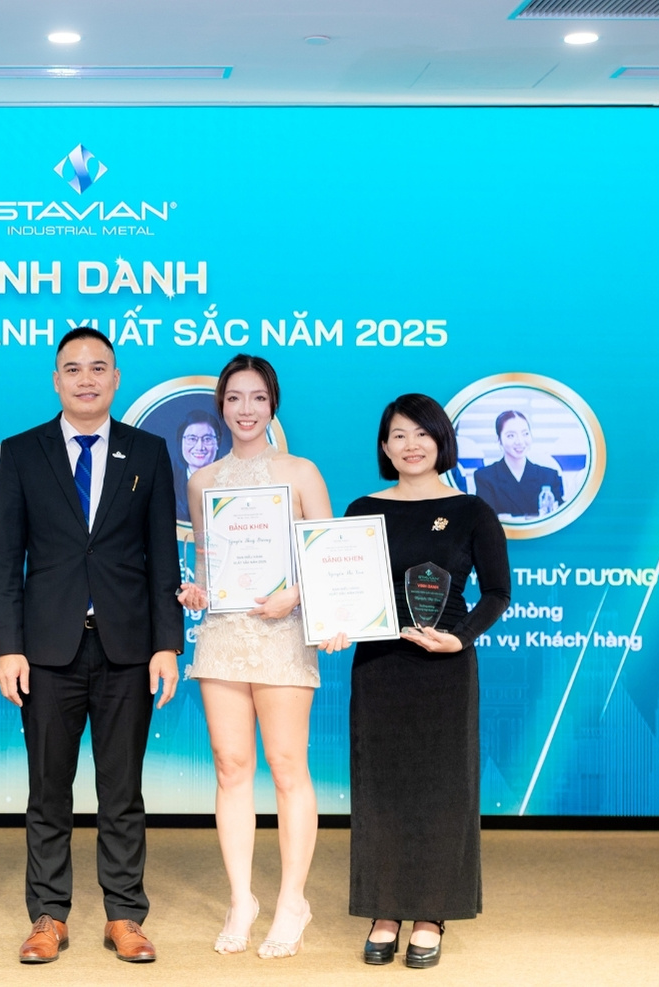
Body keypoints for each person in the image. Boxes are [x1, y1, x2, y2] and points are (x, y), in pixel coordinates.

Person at [0, 327, 184, 965]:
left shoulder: (148, 451)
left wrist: (167, 644)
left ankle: (124, 915)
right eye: (72, 368)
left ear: (116, 378)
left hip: (128, 649)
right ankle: (48, 916)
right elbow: (7, 559)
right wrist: (9, 647)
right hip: (47, 652)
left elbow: (162, 557)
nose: (85, 379)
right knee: (48, 791)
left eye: (98, 367)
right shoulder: (22, 452)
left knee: (122, 791)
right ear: (56, 380)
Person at [320, 393, 509, 970]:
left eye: (422, 434)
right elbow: (341, 584)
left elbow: (497, 592)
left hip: (444, 668)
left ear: (441, 441)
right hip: (379, 667)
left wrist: (461, 637)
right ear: (384, 446)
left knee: (442, 791)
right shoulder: (362, 509)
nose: (411, 445)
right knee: (381, 790)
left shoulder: (472, 510)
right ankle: (385, 910)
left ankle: (431, 914)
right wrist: (334, 623)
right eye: (398, 435)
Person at [176, 355, 331, 959]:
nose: (246, 409)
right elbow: (209, 565)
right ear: (221, 405)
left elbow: (325, 555)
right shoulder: (203, 481)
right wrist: (198, 592)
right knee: (231, 765)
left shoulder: (301, 472)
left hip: (282, 630)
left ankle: (293, 900)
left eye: (258, 398)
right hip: (222, 634)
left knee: (288, 766)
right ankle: (242, 899)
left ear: (273, 405)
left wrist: (295, 594)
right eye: (235, 398)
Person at [471, 409, 564, 518]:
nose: (520, 441)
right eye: (511, 435)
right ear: (499, 440)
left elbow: (559, 517)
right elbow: (485, 520)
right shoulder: (485, 477)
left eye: (525, 434)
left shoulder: (550, 476)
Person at [173, 409, 221, 524]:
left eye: (207, 439)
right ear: (181, 442)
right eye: (192, 439)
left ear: (217, 443)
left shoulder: (232, 479)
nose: (199, 447)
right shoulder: (168, 482)